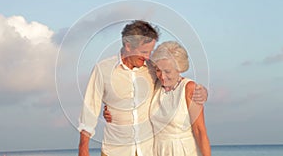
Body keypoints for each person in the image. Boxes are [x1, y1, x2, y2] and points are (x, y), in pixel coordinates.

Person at [78, 20, 208, 156]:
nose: (147, 57)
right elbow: (90, 109)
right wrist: (83, 148)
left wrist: (203, 92)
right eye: (144, 51)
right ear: (128, 46)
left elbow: (177, 80)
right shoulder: (103, 69)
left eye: (150, 51)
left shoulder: (153, 68)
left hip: (148, 150)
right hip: (115, 150)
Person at [150, 41, 211, 156]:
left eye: (167, 71)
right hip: (157, 150)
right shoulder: (155, 86)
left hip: (182, 151)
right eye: (158, 70)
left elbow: (200, 131)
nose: (162, 76)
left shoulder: (189, 89)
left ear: (179, 68)